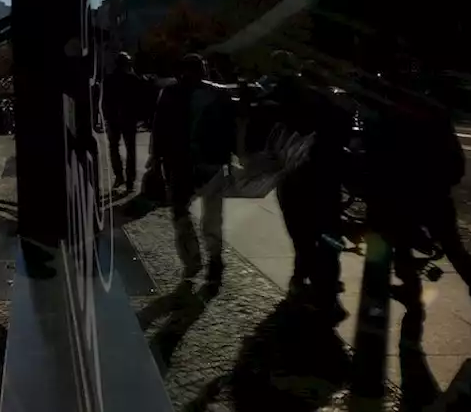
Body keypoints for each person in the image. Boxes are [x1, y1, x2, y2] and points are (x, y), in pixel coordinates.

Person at [361, 70, 471, 338]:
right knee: (455, 249)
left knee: (399, 246)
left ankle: (413, 298)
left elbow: (375, 159)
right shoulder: (434, 111)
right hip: (434, 192)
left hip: (400, 193)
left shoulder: (381, 115)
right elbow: (454, 159)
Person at [257, 51, 353, 320]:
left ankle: (309, 286)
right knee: (326, 237)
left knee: (304, 237)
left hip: (297, 179)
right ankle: (319, 289)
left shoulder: (285, 99)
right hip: (325, 179)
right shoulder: (334, 102)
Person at [148, 54, 237, 285]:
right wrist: (231, 157)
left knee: (180, 211)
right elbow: (232, 128)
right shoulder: (219, 93)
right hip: (212, 162)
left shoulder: (170, 93)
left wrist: (156, 158)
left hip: (179, 161)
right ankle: (215, 260)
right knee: (212, 215)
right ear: (204, 70)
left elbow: (159, 128)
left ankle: (192, 259)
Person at [101, 52, 148, 192]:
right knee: (130, 150)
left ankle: (119, 176)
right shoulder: (132, 79)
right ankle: (129, 180)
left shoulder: (109, 79)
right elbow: (140, 99)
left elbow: (105, 101)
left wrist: (107, 116)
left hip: (114, 118)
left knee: (114, 147)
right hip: (128, 118)